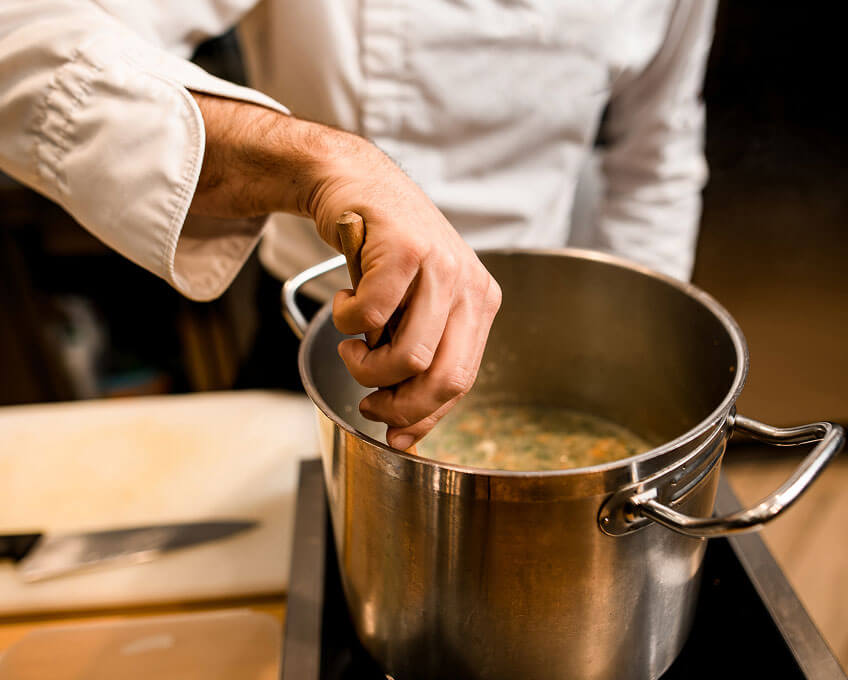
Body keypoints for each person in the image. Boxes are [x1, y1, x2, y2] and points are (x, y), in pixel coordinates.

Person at [0, 1, 716, 449]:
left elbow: (657, 153)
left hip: (542, 324)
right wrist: (318, 161)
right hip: (329, 331)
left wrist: (633, 354)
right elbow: (25, 28)